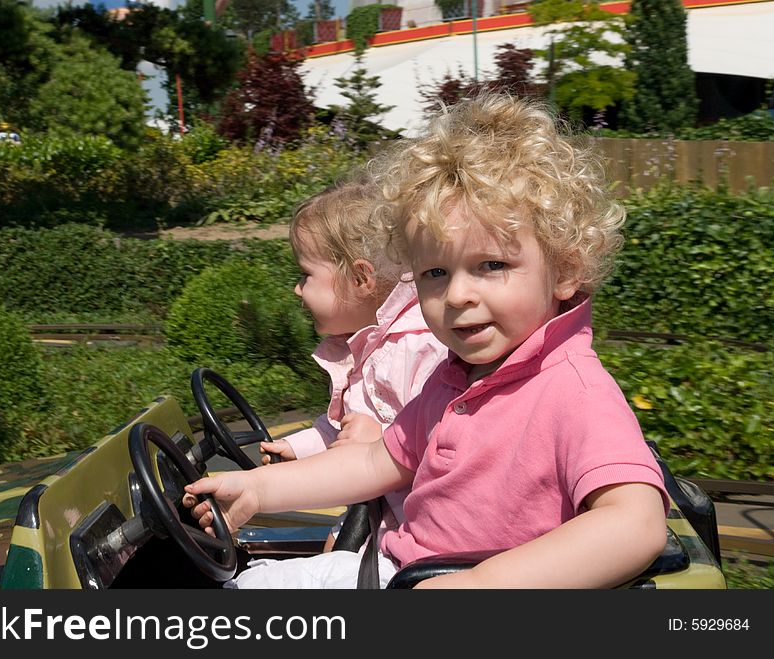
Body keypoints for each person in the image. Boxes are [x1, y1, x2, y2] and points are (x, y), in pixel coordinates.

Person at [184, 93, 669, 589]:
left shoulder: (572, 390)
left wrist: (476, 588)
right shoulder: (457, 377)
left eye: (492, 265)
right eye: (435, 273)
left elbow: (636, 523)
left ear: (565, 270)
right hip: (398, 571)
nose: (457, 294)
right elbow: (379, 459)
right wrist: (257, 489)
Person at [260, 177, 447, 552]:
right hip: (378, 511)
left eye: (306, 275)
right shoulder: (364, 344)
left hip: (421, 532)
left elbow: (449, 448)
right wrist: (299, 448)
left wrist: (380, 443)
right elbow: (344, 427)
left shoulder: (417, 349)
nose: (297, 289)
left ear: (360, 279)